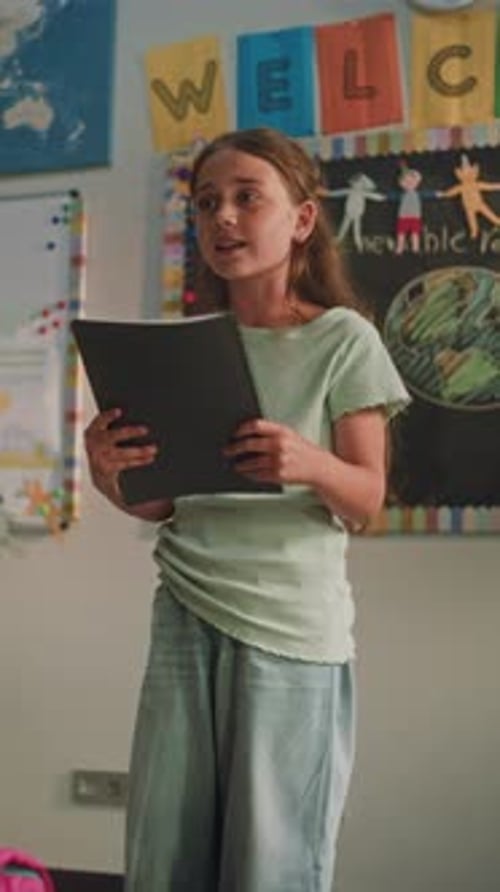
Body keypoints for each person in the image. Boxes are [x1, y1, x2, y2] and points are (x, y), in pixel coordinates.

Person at [84, 127, 410, 892]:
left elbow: (367, 502)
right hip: (186, 612)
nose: (222, 218)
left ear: (300, 219)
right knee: (165, 850)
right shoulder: (187, 348)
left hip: (291, 628)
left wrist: (310, 462)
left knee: (272, 861)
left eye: (245, 198)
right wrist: (112, 476)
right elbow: (165, 503)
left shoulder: (343, 339)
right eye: (205, 204)